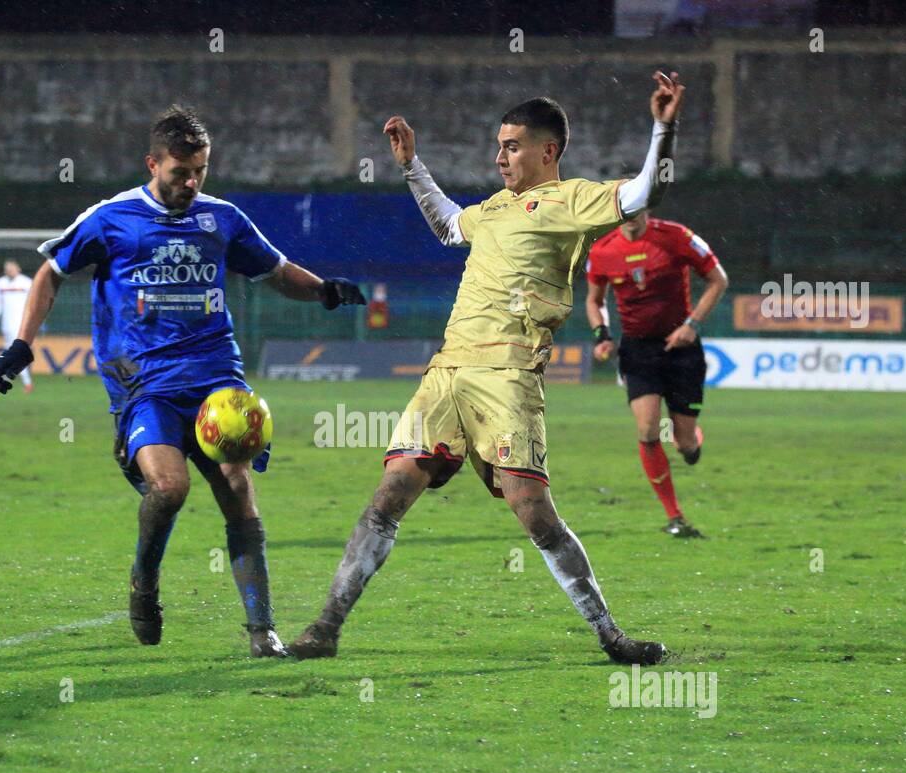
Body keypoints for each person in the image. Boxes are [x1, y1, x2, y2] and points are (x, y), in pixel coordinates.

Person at [287, 74, 686, 665]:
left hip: (508, 373)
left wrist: (663, 127)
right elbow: (449, 224)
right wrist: (411, 166)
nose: (500, 156)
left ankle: (610, 636)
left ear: (547, 151)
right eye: (498, 145)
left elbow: (644, 192)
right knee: (390, 491)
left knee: (533, 512)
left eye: (513, 145)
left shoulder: (573, 200)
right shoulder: (495, 207)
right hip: (448, 370)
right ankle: (324, 627)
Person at [0, 106, 365, 657]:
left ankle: (262, 632)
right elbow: (51, 272)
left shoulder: (223, 219)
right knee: (170, 489)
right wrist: (21, 346)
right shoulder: (112, 218)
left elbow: (276, 270)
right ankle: (145, 581)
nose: (191, 183)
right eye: (179, 173)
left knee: (237, 489)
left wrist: (325, 289)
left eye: (200, 171)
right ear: (152, 164)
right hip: (144, 383)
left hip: (217, 379)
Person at [585, 211, 728, 537]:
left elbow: (718, 279)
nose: (632, 216)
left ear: (647, 207)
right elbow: (594, 300)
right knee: (648, 428)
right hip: (638, 351)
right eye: (625, 209)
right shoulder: (602, 251)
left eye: (638, 207)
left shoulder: (677, 236)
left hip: (683, 349)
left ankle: (690, 442)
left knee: (685, 445)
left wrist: (691, 325)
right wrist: (601, 335)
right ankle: (675, 516)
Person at [0, 259, 33, 393]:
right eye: (7, 269)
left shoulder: (26, 282)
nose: (9, 271)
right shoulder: (0, 283)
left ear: (18, 269)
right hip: (6, 324)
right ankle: (13, 379)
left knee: (15, 352)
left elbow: (33, 302)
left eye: (11, 269)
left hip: (21, 323)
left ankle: (26, 382)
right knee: (11, 352)